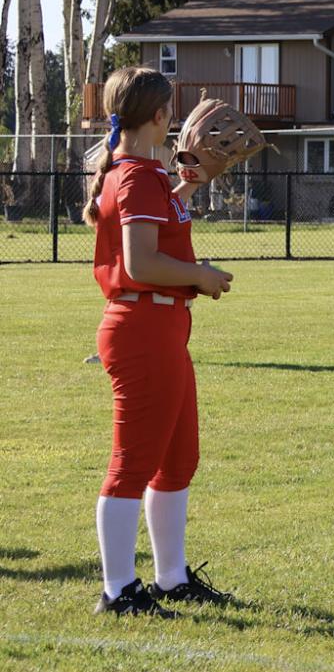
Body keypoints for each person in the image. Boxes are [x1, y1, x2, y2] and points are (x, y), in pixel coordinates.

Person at [85, 67, 236, 616]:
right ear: (157, 117)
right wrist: (200, 274)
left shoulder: (141, 172)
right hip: (143, 327)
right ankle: (119, 590)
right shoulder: (138, 175)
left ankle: (171, 578)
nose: (175, 122)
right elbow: (141, 260)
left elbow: (155, 221)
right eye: (170, 112)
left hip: (159, 325)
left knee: (178, 458)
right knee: (134, 461)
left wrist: (190, 180)